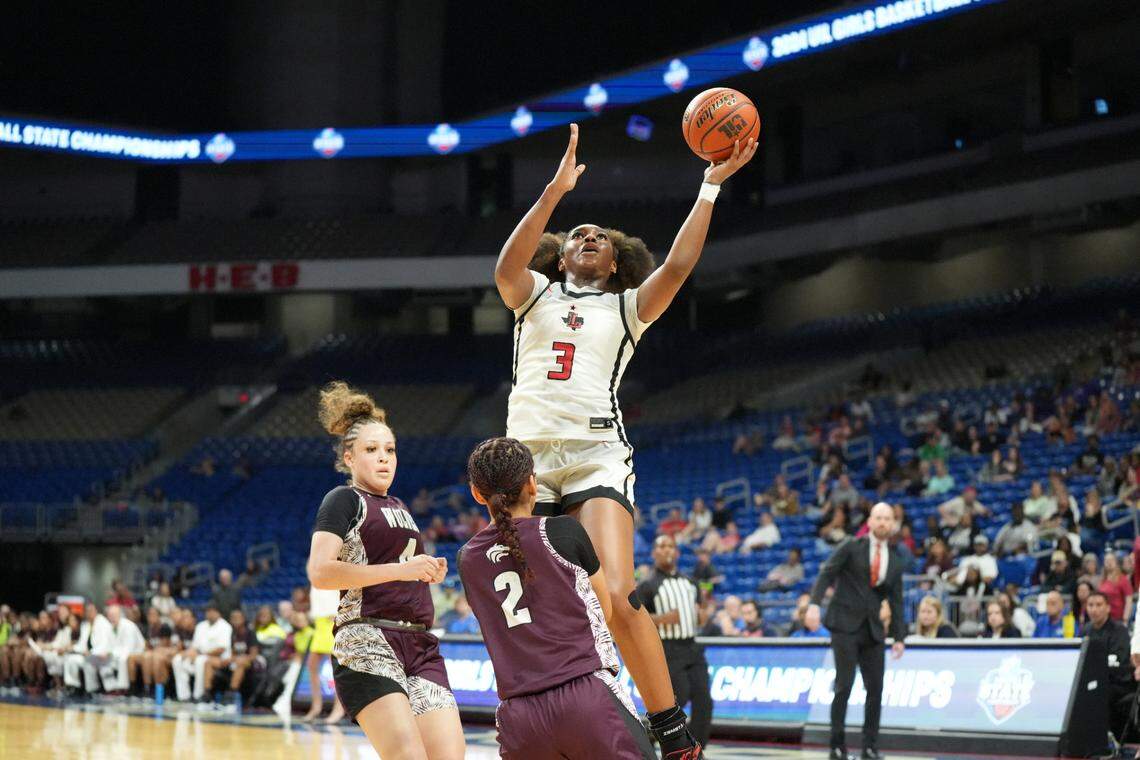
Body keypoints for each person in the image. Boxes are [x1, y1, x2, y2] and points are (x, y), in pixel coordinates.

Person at [493, 123, 755, 760]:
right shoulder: (534, 295)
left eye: (601, 238)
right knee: (530, 614)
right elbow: (505, 265)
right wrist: (554, 191)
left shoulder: (627, 308)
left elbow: (681, 265)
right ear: (560, 256)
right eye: (578, 234)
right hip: (523, 465)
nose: (588, 237)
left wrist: (710, 188)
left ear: (615, 263)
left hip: (594, 455)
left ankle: (670, 727)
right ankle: (549, 723)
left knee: (614, 596)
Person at [460, 437, 658, 759]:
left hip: (519, 716)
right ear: (533, 485)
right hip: (585, 698)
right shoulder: (562, 531)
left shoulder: (467, 558)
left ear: (477, 493)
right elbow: (603, 611)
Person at [306, 382, 464, 760]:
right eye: (372, 450)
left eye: (390, 450)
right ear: (349, 458)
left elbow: (401, 569)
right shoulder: (344, 500)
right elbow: (321, 572)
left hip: (420, 646)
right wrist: (400, 569)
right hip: (367, 641)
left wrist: (427, 572)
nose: (384, 458)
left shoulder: (400, 506)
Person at [809, 503, 907, 760]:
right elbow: (827, 573)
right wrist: (814, 604)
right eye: (879, 518)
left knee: (876, 689)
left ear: (893, 523)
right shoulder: (852, 546)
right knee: (844, 685)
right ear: (871, 522)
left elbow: (896, 600)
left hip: (873, 630)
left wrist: (899, 637)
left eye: (888, 518)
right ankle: (837, 745)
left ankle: (870, 747)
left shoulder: (896, 559)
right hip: (844, 626)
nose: (883, 522)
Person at [637, 533, 713, 751]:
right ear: (654, 553)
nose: (667, 550)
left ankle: (697, 749)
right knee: (679, 697)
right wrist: (662, 619)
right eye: (662, 546)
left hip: (692, 645)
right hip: (668, 648)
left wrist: (703, 614)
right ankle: (654, 732)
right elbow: (636, 619)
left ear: (677, 552)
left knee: (704, 700)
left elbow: (700, 614)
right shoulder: (647, 585)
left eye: (671, 546)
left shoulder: (691, 583)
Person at [1083, 592, 1134, 739]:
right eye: (1091, 605)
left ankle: (1103, 739)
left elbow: (1119, 661)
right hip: (1092, 679)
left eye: (1099, 605)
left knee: (1097, 693)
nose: (1094, 609)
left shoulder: (1119, 630)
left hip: (1118, 682)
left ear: (1108, 608)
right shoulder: (1086, 630)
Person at [173, 603, 232, 703]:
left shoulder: (225, 626)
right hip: (199, 656)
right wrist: (188, 653)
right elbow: (195, 646)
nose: (210, 614)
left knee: (201, 660)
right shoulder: (201, 626)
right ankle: (183, 696)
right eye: (208, 611)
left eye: (213, 611)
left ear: (218, 613)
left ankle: (198, 695)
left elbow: (221, 649)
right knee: (177, 659)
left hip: (218, 659)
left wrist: (200, 654)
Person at [1099, 552, 1134, 623]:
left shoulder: (1123, 579)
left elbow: (1129, 600)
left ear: (1116, 562)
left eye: (1111, 560)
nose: (1109, 563)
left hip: (1118, 619)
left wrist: (1125, 619)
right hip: (1104, 619)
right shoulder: (1102, 580)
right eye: (1107, 561)